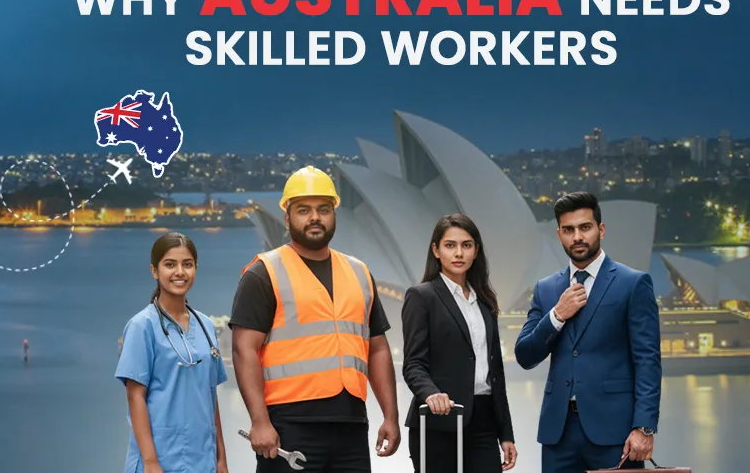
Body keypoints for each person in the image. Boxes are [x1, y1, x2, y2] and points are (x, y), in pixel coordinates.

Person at [229, 166, 400, 473]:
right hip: (289, 427)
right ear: (287, 218)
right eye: (303, 210)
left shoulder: (359, 273)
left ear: (334, 214)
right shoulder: (264, 273)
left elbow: (377, 349)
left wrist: (390, 415)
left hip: (351, 425)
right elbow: (244, 350)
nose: (314, 218)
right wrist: (259, 422)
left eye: (323, 209)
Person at [514, 192, 661, 473]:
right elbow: (525, 355)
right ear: (559, 235)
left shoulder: (633, 283)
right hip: (558, 433)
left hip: (615, 433)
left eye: (585, 227)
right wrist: (557, 315)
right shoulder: (545, 289)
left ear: (600, 230)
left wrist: (644, 427)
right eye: (569, 230)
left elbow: (647, 360)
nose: (577, 237)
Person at [401, 213, 517, 473]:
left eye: (466, 245)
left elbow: (495, 373)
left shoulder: (485, 302)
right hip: (438, 422)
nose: (459, 253)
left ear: (476, 251)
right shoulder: (422, 297)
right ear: (436, 250)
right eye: (450, 245)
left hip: (484, 423)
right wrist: (431, 394)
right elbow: (413, 364)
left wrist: (505, 433)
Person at [115, 232, 230, 473]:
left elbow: (211, 396)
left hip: (203, 460)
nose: (179, 272)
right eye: (170, 264)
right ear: (155, 271)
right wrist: (150, 462)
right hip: (160, 459)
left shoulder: (206, 326)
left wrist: (221, 459)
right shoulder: (142, 326)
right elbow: (135, 397)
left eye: (187, 264)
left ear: (195, 269)